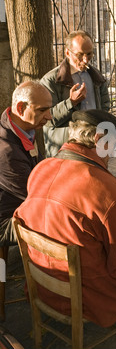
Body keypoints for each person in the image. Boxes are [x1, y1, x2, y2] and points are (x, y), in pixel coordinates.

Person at [14, 109, 116, 328]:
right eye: (112, 147)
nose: (111, 155)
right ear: (98, 139)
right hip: (88, 299)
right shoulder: (107, 190)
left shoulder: (41, 168)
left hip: (41, 285)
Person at [40, 30, 110, 157]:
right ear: (68, 52)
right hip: (66, 148)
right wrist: (70, 102)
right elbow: (47, 118)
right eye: (80, 55)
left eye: (89, 54)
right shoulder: (51, 80)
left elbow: (105, 104)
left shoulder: (96, 75)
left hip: (94, 144)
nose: (85, 59)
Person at [0, 81, 52, 247]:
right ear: (21, 108)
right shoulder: (7, 151)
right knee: (63, 222)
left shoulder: (21, 127)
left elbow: (41, 171)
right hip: (5, 221)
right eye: (42, 110)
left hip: (19, 204)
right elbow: (36, 196)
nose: (49, 116)